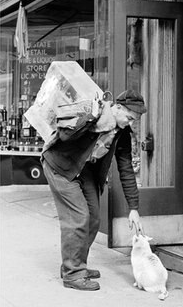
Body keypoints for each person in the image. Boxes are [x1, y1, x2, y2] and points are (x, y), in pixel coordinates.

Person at [41, 89, 147, 291]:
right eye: (129, 117)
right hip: (60, 167)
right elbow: (64, 136)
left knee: (94, 218)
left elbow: (125, 169)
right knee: (78, 217)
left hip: (85, 170)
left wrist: (133, 207)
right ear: (117, 108)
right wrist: (89, 120)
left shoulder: (121, 132)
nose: (130, 123)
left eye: (134, 120)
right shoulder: (93, 114)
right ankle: (73, 274)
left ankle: (74, 263)